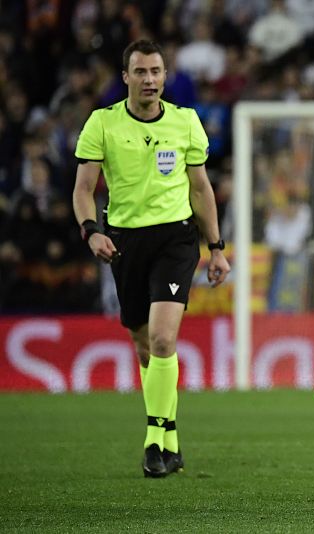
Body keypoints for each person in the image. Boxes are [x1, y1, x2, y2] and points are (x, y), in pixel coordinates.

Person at [72, 40, 231, 478]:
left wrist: (215, 247)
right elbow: (83, 189)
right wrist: (91, 232)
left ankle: (154, 440)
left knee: (163, 340)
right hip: (124, 241)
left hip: (176, 241)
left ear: (165, 76)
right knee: (144, 347)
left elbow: (200, 189)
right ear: (125, 77)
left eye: (156, 71)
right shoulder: (102, 124)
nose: (149, 80)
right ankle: (172, 435)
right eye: (140, 72)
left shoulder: (185, 122)